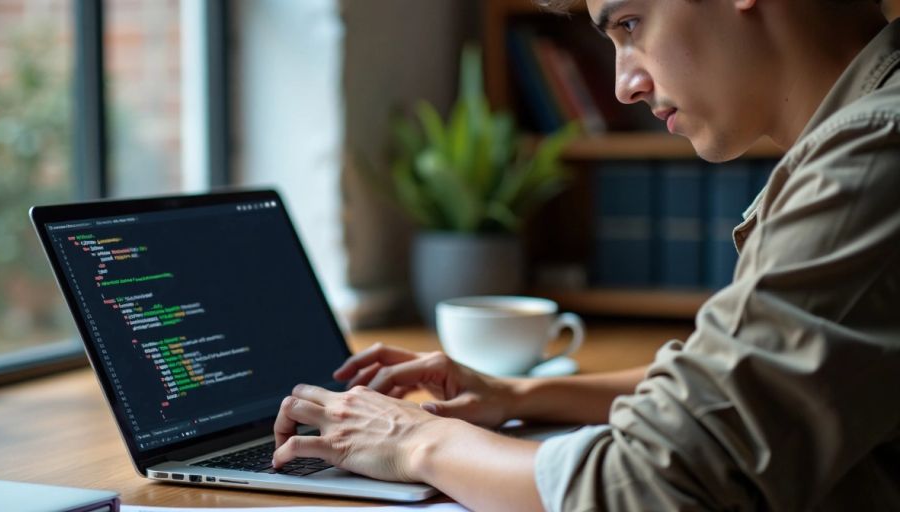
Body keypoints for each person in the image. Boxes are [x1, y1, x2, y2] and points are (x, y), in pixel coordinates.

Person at [271, 0, 900, 509]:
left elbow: (655, 484)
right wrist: (519, 394)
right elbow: (741, 384)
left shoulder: (869, 160)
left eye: (630, 24)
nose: (624, 85)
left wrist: (416, 439)